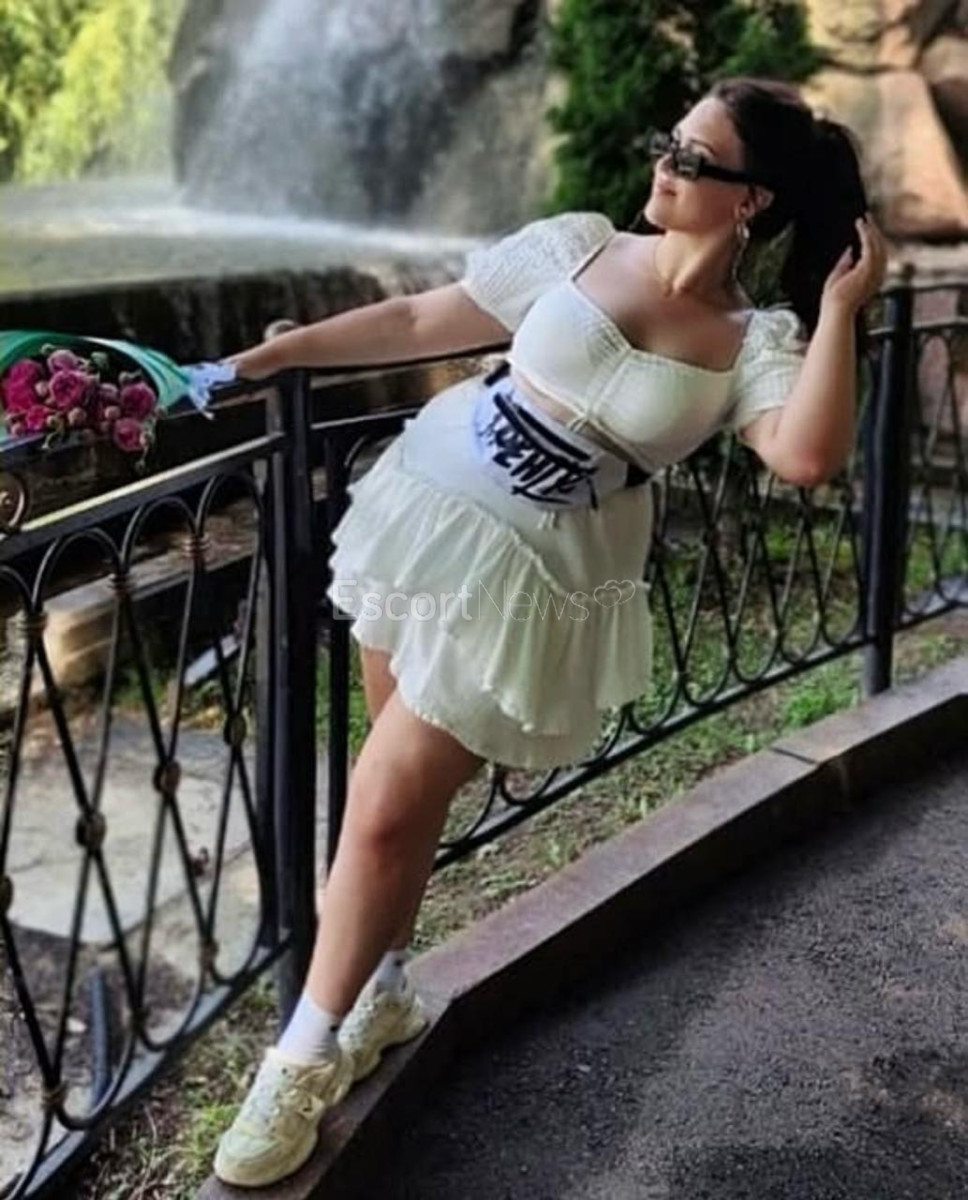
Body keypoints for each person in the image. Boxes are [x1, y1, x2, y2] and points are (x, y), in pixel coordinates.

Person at [197, 76, 888, 1188]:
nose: (663, 163)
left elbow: (805, 457)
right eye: (668, 141)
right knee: (395, 798)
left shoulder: (750, 340)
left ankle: (298, 1060)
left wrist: (843, 313)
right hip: (427, 510)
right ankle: (380, 991)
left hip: (531, 584)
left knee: (381, 804)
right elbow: (421, 319)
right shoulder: (578, 245)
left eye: (692, 157)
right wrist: (264, 361)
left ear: (750, 200)